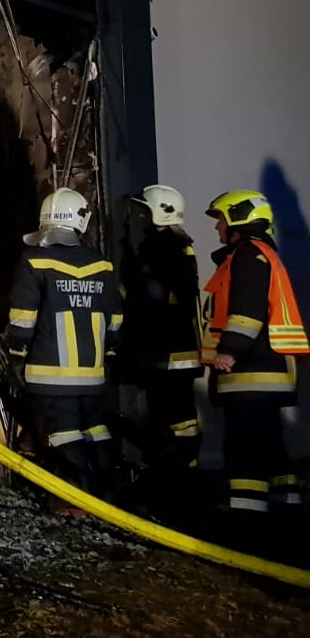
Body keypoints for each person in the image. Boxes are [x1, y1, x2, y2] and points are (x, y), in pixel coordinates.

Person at [201, 190, 309, 550]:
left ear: (238, 218)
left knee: (244, 450)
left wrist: (229, 351)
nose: (217, 227)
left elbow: (246, 311)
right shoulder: (263, 254)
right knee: (271, 449)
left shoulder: (248, 255)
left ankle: (247, 527)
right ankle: (287, 517)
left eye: (220, 219)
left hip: (251, 373)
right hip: (268, 372)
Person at [6, 187, 124, 499]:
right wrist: (109, 354)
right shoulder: (102, 266)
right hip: (93, 374)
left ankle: (75, 498)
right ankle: (108, 494)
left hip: (50, 375)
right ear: (80, 222)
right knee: (95, 428)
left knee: (63, 433)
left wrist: (16, 355)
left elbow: (23, 317)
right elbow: (115, 319)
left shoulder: (34, 261)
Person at [120, 185, 203, 497]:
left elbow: (172, 299)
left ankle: (182, 477)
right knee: (163, 416)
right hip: (161, 351)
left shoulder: (169, 249)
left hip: (171, 351)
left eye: (146, 211)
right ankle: (172, 475)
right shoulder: (162, 247)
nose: (142, 216)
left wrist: (139, 287)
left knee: (179, 417)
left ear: (159, 213)